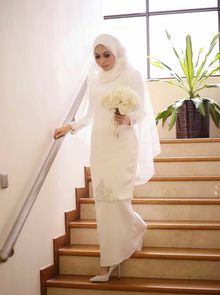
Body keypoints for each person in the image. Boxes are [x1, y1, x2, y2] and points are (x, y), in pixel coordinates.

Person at [54, 34, 161, 282]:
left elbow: (142, 111)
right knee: (104, 203)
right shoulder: (95, 80)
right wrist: (69, 126)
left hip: (123, 144)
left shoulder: (131, 74)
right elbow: (90, 114)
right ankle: (114, 253)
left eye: (106, 55)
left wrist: (127, 119)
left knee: (120, 199)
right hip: (101, 146)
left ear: (116, 52)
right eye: (97, 56)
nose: (102, 61)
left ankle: (118, 251)